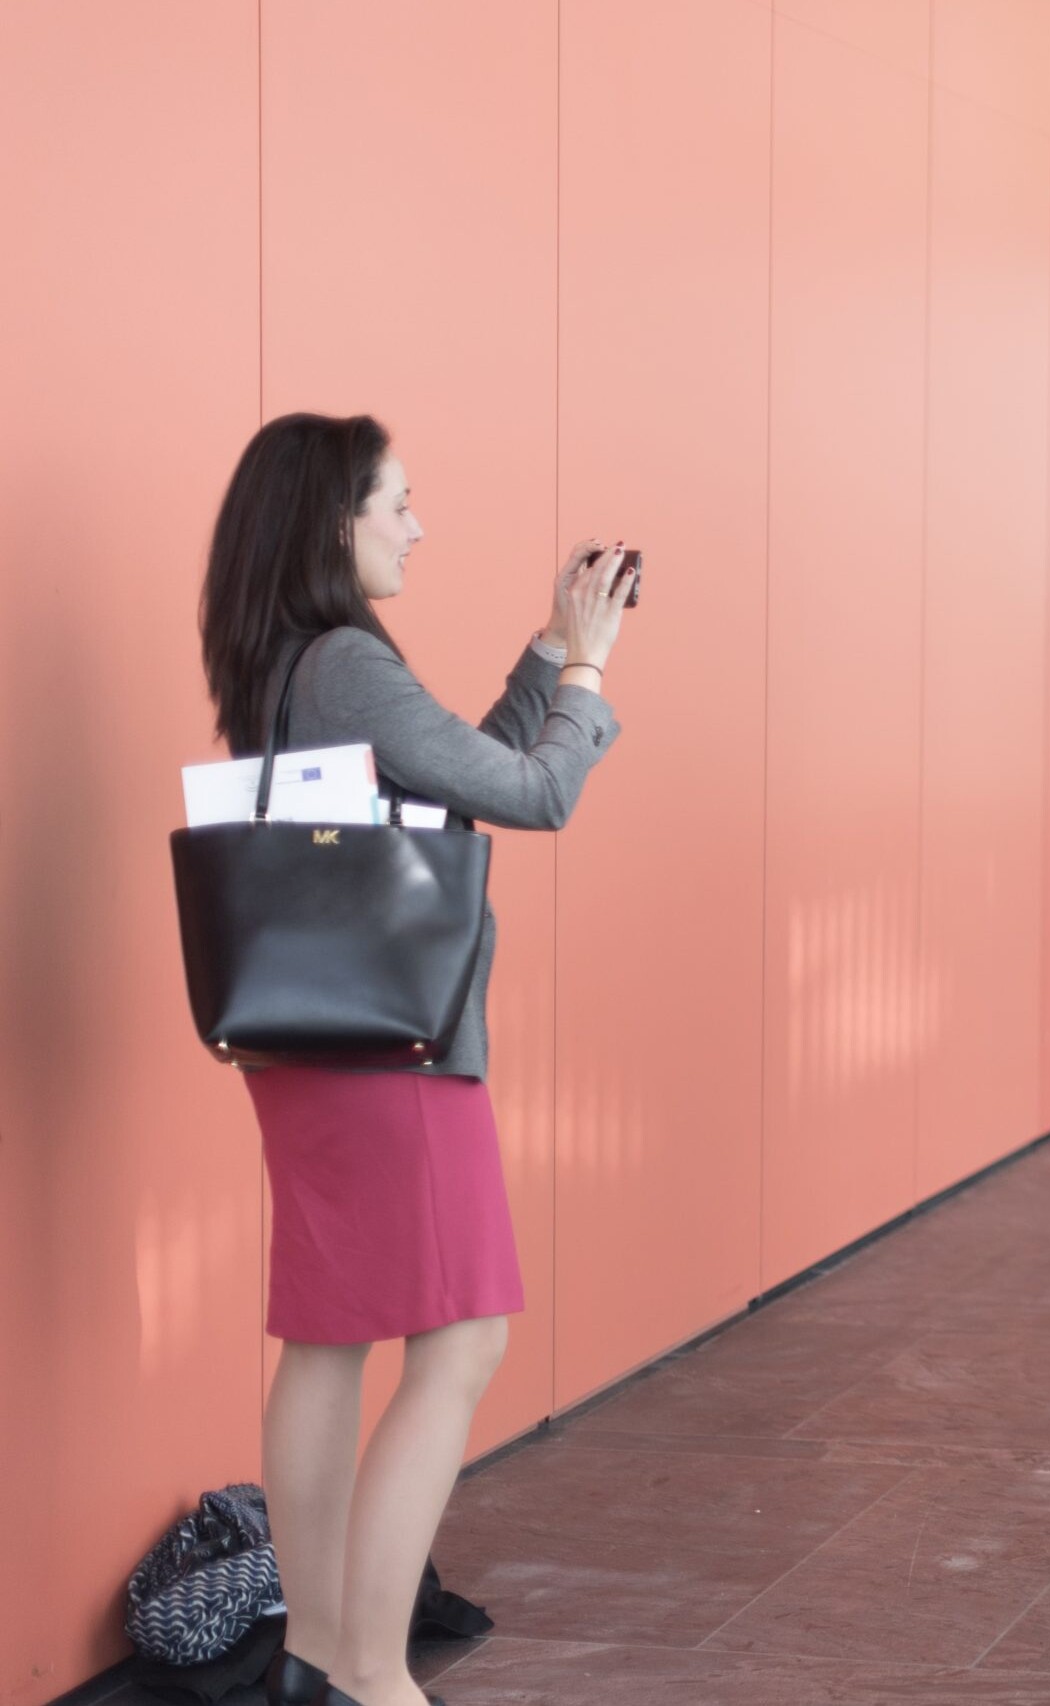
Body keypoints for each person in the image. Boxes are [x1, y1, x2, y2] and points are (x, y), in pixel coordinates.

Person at [197, 413, 633, 1706]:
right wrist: (593, 678)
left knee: (334, 1337)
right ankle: (369, 1671)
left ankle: (317, 1662)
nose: (416, 524)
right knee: (463, 1340)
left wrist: (553, 644)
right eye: (398, 501)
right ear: (334, 518)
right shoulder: (341, 660)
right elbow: (532, 791)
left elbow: (456, 773)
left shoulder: (293, 661)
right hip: (395, 1050)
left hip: (312, 1045)